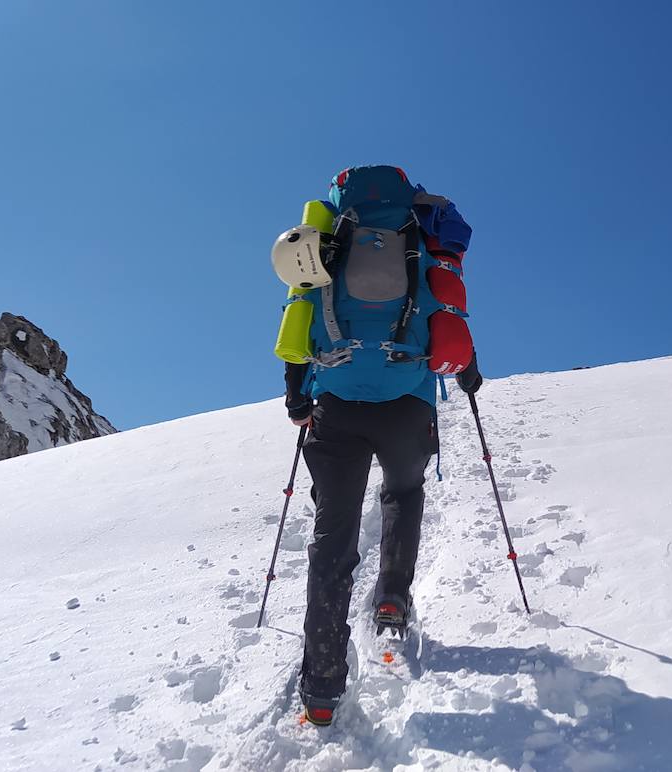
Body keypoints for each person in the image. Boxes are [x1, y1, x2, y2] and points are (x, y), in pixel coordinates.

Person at [273, 165, 480, 726]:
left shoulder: (326, 241)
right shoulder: (423, 231)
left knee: (331, 537)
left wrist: (297, 398)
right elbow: (449, 307)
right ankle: (392, 596)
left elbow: (301, 313)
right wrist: (467, 372)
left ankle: (320, 687)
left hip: (335, 403)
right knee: (404, 492)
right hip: (408, 402)